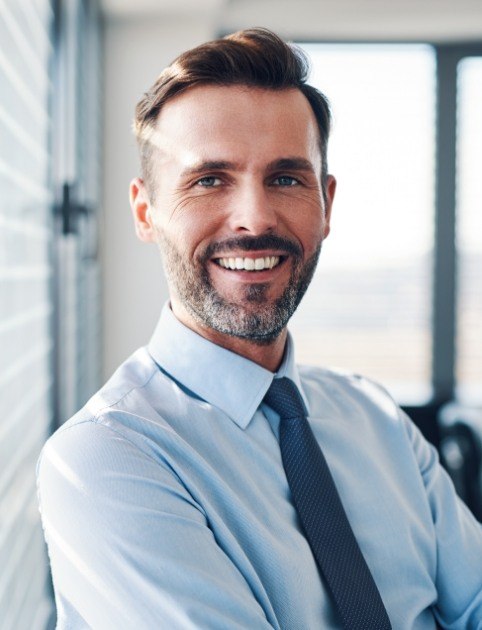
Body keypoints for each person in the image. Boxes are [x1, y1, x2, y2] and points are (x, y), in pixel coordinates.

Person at [37, 28, 482, 629]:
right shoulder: (106, 458)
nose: (254, 218)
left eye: (286, 178)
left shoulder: (378, 420)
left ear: (326, 205)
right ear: (146, 213)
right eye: (209, 179)